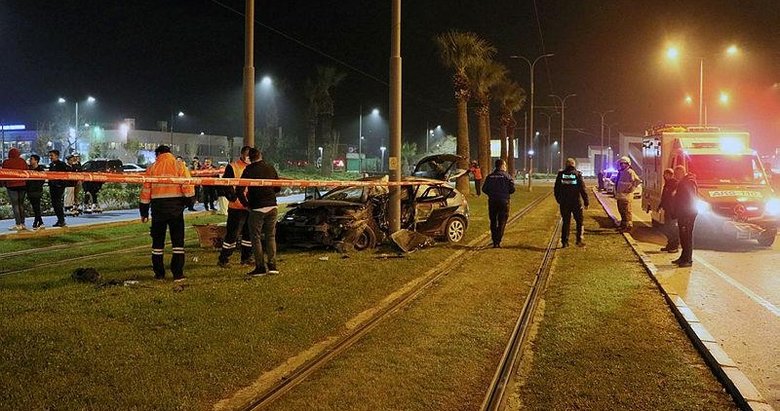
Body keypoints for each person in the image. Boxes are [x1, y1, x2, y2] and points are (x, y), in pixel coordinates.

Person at [139, 145, 196, 281]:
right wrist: (189, 203)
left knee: (157, 243)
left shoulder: (152, 168)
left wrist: (144, 212)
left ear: (158, 154)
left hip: (158, 209)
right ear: (170, 153)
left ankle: (159, 273)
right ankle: (178, 273)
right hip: (176, 208)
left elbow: (146, 192)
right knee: (178, 242)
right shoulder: (179, 165)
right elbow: (187, 185)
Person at [237, 148, 281, 276]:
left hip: (256, 208)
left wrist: (246, 205)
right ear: (261, 156)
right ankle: (272, 266)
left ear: (249, 158)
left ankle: (260, 267)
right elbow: (278, 187)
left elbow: (239, 190)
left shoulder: (248, 170)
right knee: (271, 237)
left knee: (256, 238)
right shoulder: (270, 168)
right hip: (272, 207)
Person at [217, 146, 254, 268]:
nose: (248, 157)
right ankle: (224, 258)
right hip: (237, 207)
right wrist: (232, 197)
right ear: (242, 154)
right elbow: (226, 184)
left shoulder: (253, 167)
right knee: (232, 235)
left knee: (248, 235)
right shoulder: (233, 166)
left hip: (250, 206)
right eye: (247, 155)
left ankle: (246, 258)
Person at [554, 157, 590, 247]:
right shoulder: (577, 175)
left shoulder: (561, 175)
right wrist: (586, 202)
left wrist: (559, 200)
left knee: (566, 222)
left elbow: (556, 189)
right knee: (579, 221)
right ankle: (579, 240)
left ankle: (564, 242)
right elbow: (583, 189)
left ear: (566, 165)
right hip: (576, 202)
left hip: (564, 203)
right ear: (574, 165)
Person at [481, 159, 516, 248]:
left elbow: (484, 189)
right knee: (502, 221)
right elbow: (512, 189)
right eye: (505, 165)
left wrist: (491, 194)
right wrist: (505, 193)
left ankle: (494, 239)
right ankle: (498, 241)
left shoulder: (490, 176)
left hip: (492, 201)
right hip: (504, 201)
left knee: (493, 221)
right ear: (502, 166)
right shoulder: (507, 177)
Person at [671, 165, 698, 267]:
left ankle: (688, 260)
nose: (675, 176)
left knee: (686, 237)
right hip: (683, 213)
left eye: (676, 174)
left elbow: (689, 199)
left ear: (681, 172)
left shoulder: (688, 182)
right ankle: (683, 257)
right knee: (683, 236)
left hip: (687, 213)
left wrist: (685, 213)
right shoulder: (683, 182)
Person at [2, 148, 29, 231]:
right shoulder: (22, 161)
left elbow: (4, 174)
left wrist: (4, 184)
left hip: (11, 186)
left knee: (15, 205)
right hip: (22, 185)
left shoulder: (6, 162)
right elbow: (26, 171)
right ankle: (23, 223)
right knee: (21, 204)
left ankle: (18, 224)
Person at [614, 156, 641, 231]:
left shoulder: (630, 172)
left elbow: (637, 181)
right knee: (621, 211)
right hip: (620, 195)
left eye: (624, 163)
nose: (622, 165)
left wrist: (631, 189)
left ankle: (628, 226)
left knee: (627, 211)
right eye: (621, 163)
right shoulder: (620, 172)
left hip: (626, 196)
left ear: (628, 164)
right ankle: (623, 225)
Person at [657, 168, 679, 253]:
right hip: (667, 209)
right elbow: (665, 196)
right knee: (667, 228)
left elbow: (673, 197)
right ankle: (669, 244)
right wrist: (660, 205)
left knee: (672, 228)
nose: (665, 176)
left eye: (667, 174)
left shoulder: (675, 184)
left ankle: (674, 246)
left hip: (672, 210)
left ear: (671, 175)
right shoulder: (667, 183)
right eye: (665, 174)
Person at [48, 150, 69, 227]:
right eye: (50, 156)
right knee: (54, 204)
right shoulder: (51, 165)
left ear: (57, 156)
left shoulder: (62, 165)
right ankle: (59, 219)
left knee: (58, 203)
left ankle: (61, 220)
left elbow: (65, 176)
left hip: (59, 187)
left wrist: (60, 184)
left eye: (52, 155)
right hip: (52, 186)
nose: (50, 157)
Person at [27, 154, 46, 230]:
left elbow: (42, 180)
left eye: (31, 159)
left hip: (37, 191)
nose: (30, 161)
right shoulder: (28, 169)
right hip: (30, 190)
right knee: (35, 207)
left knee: (36, 206)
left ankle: (39, 222)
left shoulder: (40, 169)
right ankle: (38, 222)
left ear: (36, 161)